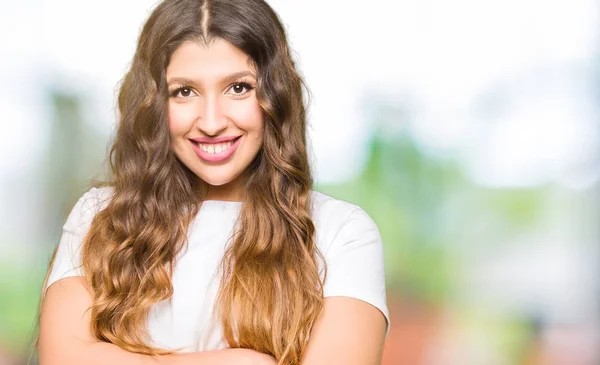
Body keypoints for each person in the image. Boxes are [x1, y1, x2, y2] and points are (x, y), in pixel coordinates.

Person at [37, 0, 390, 364]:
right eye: (184, 91)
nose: (211, 122)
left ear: (276, 95)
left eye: (238, 88)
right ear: (154, 104)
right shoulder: (99, 217)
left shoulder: (342, 233)